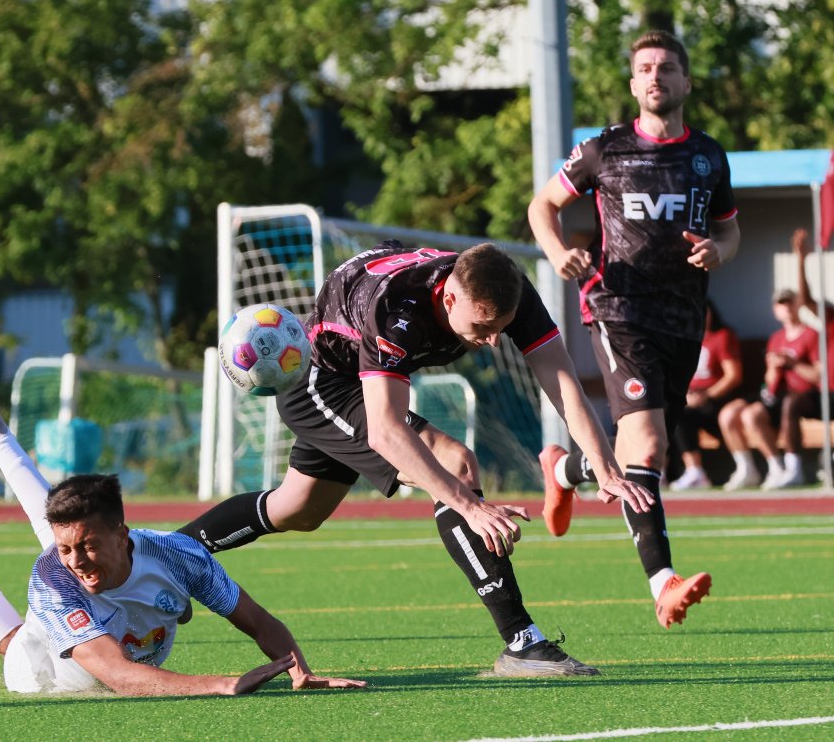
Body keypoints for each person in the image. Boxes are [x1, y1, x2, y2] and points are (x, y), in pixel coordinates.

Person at [180, 240, 654, 677]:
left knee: (297, 509)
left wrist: (605, 467)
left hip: (361, 380)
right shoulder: (396, 310)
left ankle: (168, 551)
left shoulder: (505, 286)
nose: (492, 341)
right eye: (484, 327)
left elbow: (560, 378)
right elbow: (386, 430)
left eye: (501, 329)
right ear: (449, 298)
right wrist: (471, 506)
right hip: (322, 384)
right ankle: (522, 642)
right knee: (456, 464)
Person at [0, 360, 365, 697]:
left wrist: (301, 671)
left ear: (124, 533)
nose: (77, 560)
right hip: (52, 673)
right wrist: (222, 683)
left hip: (125, 615)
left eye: (88, 546)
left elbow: (257, 619)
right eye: (72, 550)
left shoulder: (179, 554)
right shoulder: (54, 578)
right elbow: (121, 677)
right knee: (11, 642)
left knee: (57, 537)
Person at [528, 30, 740, 626]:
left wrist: (721, 251)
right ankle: (663, 583)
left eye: (666, 68)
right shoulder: (603, 150)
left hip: (683, 319)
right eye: (645, 68)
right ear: (632, 83)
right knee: (645, 445)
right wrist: (554, 251)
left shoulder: (709, 156)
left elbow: (730, 230)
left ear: (685, 82)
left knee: (643, 454)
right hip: (617, 308)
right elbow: (542, 206)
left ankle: (565, 468)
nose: (655, 76)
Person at [717, 289, 819, 490]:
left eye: (790, 302)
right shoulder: (776, 338)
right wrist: (774, 368)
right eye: (781, 304)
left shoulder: (811, 334)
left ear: (798, 305)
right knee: (736, 414)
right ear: (775, 309)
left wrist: (793, 363)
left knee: (762, 412)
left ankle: (786, 468)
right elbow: (769, 382)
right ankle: (760, 468)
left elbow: (818, 376)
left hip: (803, 395)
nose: (786, 308)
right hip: (778, 395)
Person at [669, 301, 743, 490]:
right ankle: (690, 471)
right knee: (671, 412)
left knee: (682, 414)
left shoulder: (722, 336)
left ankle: (696, 471)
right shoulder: (686, 340)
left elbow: (733, 376)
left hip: (718, 401)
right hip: (691, 400)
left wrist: (707, 395)